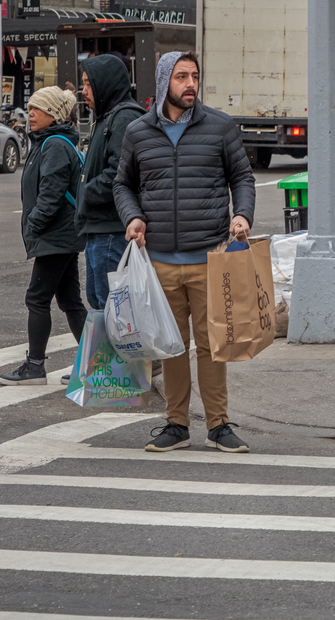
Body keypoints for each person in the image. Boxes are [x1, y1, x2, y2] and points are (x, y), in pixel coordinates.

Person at [114, 51, 256, 453]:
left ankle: (219, 424)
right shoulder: (139, 132)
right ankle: (176, 423)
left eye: (194, 76)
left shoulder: (220, 127)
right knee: (170, 347)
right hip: (159, 261)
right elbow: (122, 184)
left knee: (213, 347)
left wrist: (243, 214)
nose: (190, 84)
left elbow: (242, 176)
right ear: (164, 82)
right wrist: (133, 218)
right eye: (181, 77)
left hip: (209, 256)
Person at [0, 88, 88, 384]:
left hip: (56, 236)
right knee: (70, 301)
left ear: (54, 114)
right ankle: (95, 364)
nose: (30, 113)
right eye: (30, 107)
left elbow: (51, 193)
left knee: (37, 299)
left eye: (38, 108)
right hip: (61, 234)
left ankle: (35, 366)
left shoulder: (54, 145)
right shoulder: (48, 142)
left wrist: (34, 224)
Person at [76, 55, 145, 312]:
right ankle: (110, 353)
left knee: (113, 309)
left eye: (88, 84)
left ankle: (121, 354)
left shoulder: (123, 117)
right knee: (99, 304)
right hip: (100, 229)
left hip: (111, 231)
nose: (83, 92)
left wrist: (86, 192)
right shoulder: (108, 115)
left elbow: (119, 173)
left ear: (105, 83)